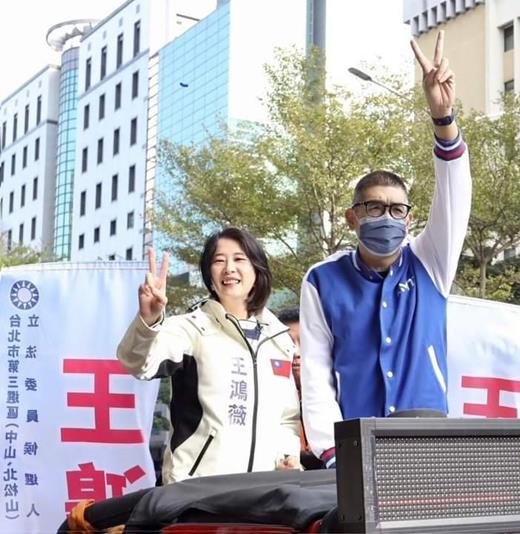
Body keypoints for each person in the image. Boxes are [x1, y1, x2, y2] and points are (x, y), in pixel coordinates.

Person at [300, 31, 471, 468]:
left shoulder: (431, 262)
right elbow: (316, 373)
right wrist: (332, 453)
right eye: (374, 207)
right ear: (352, 217)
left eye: (397, 210)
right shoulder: (322, 280)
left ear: (409, 220)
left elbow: (455, 194)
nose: (387, 217)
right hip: (356, 446)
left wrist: (443, 117)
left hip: (428, 441)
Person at [117, 228, 301, 484]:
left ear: (257, 269)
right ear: (209, 274)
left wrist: (287, 455)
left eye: (239, 259)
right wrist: (148, 321)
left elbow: (287, 417)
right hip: (198, 487)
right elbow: (138, 363)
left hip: (264, 489)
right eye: (218, 260)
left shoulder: (278, 338)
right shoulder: (190, 328)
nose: (229, 268)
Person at [277, 307, 325, 470]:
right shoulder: (268, 399)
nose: (296, 352)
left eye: (304, 343)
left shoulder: (333, 398)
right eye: (288, 344)